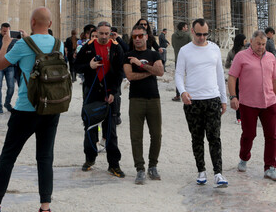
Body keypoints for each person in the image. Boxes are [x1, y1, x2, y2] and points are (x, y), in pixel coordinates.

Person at [0, 7, 64, 212]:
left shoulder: (23, 44)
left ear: (32, 22)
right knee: (45, 158)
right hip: (51, 108)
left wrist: (6, 42)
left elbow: (0, 64)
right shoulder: (58, 44)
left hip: (26, 108)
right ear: (50, 24)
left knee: (8, 156)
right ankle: (45, 210)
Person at [175, 18, 229, 187]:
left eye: (205, 34)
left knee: (215, 137)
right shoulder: (185, 50)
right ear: (192, 31)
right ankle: (201, 171)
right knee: (197, 138)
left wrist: (224, 99)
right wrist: (182, 91)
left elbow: (220, 74)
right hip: (193, 101)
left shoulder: (214, 49)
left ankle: (218, 173)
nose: (202, 37)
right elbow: (178, 74)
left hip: (212, 99)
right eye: (199, 34)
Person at [228, 30, 276, 181]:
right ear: (251, 42)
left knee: (272, 136)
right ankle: (244, 157)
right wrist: (233, 96)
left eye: (263, 44)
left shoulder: (271, 57)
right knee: (249, 134)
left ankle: (270, 167)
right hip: (248, 103)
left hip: (268, 101)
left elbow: (275, 80)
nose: (261, 47)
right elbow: (232, 77)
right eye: (258, 43)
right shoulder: (241, 56)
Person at [74, 21, 125, 177]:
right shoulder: (88, 47)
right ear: (96, 33)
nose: (103, 36)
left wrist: (114, 92)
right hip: (92, 91)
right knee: (90, 127)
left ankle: (114, 164)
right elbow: (76, 66)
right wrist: (89, 66)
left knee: (111, 129)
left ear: (110, 34)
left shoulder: (116, 48)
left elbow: (119, 73)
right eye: (101, 33)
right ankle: (90, 158)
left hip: (110, 93)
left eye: (106, 34)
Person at [123, 25, 164, 184]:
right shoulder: (128, 55)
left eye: (141, 36)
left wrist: (140, 65)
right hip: (136, 99)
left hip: (154, 98)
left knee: (156, 134)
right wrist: (150, 70)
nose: (138, 39)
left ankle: (152, 166)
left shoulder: (154, 54)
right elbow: (130, 76)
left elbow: (160, 72)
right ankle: (140, 168)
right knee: (136, 136)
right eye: (135, 37)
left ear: (147, 37)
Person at [224, 33, 247, 124]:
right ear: (241, 41)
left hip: (235, 78)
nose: (246, 42)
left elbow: (226, 65)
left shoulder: (231, 52)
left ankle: (239, 118)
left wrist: (234, 65)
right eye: (245, 40)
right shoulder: (246, 51)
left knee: (237, 97)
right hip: (245, 77)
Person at [171, 21, 191, 101]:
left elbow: (173, 45)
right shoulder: (187, 35)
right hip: (188, 59)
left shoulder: (173, 36)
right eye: (186, 27)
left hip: (177, 58)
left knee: (179, 77)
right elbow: (191, 45)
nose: (187, 28)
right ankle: (189, 94)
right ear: (183, 28)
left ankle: (178, 95)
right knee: (190, 76)